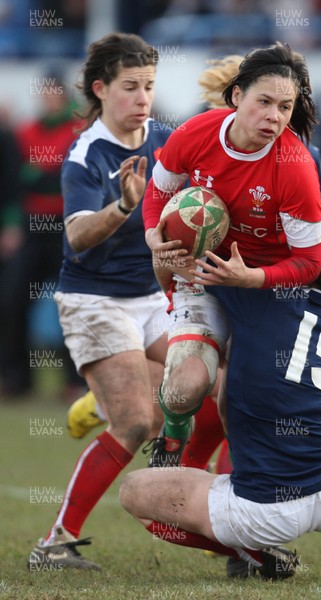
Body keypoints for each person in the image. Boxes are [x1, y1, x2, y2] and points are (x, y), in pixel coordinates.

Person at [120, 198, 321, 575]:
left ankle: (255, 553)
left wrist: (168, 238)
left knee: (135, 492)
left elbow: (184, 275)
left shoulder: (262, 297)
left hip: (264, 509)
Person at [28, 32, 172, 571]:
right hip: (95, 300)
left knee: (225, 386)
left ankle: (241, 534)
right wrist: (122, 207)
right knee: (136, 422)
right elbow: (77, 235)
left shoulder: (165, 138)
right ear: (101, 89)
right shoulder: (86, 154)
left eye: (149, 86)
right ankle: (55, 543)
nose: (142, 98)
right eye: (130, 87)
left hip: (153, 294)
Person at [142, 42, 321, 468]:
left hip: (269, 290)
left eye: (285, 106)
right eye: (264, 102)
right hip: (205, 276)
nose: (275, 116)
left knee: (242, 413)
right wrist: (153, 234)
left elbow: (310, 263)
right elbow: (159, 190)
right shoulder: (196, 133)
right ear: (236, 96)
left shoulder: (295, 166)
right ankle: (172, 437)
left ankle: (244, 514)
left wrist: (253, 279)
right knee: (185, 387)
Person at [0, 68, 82, 398]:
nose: (47, 99)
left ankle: (75, 380)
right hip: (32, 228)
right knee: (14, 300)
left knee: (72, 303)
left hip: (69, 227)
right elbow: (17, 182)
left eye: (53, 93)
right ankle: (17, 378)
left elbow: (62, 177)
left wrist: (42, 174)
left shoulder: (78, 129)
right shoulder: (25, 132)